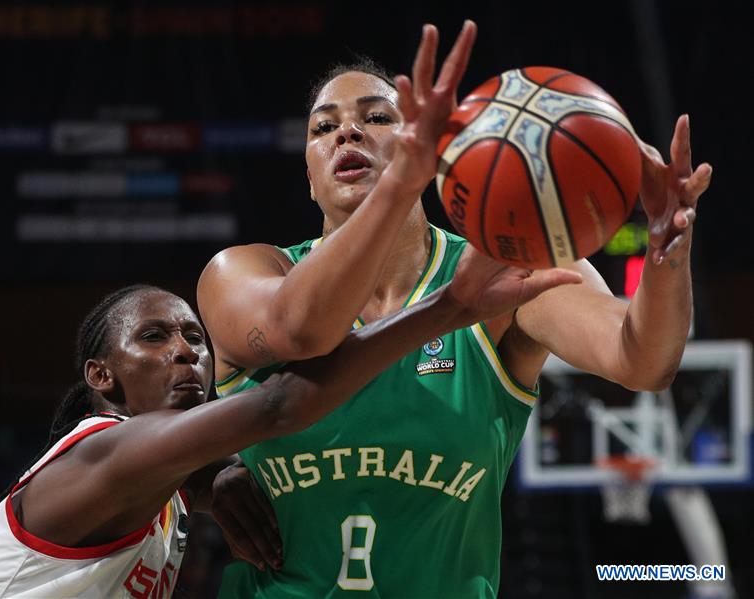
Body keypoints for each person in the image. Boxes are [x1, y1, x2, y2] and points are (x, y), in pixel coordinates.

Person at [197, 21, 712, 598]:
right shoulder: (241, 273)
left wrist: (668, 248)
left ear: (429, 152)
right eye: (324, 127)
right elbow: (301, 331)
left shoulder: (503, 270)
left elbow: (642, 362)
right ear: (310, 179)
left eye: (377, 117)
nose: (348, 132)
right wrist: (402, 183)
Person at [0, 260, 577, 597]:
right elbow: (279, 406)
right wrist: (450, 306)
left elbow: (186, 474)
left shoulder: (157, 482)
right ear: (101, 375)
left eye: (195, 338)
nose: (185, 353)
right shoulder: (104, 451)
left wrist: (215, 481)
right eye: (153, 337)